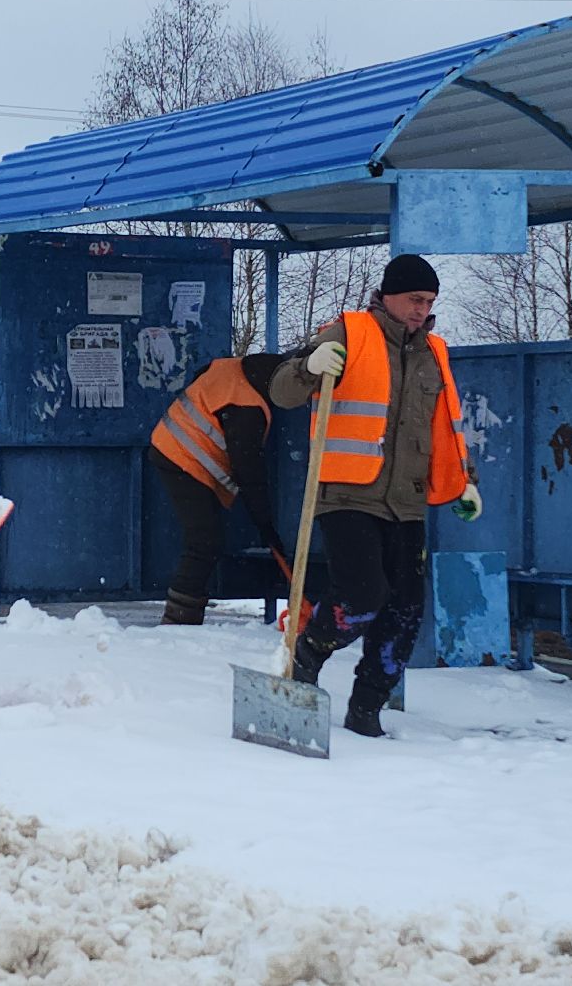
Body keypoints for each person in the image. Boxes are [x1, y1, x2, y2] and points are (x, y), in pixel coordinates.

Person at [268, 253, 483, 737]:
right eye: (413, 299)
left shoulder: (435, 352)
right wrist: (308, 366)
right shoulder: (348, 333)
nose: (420, 309)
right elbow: (282, 390)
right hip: (346, 493)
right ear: (387, 295)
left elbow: (445, 426)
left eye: (428, 301)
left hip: (406, 501)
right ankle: (309, 651)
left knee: (406, 612)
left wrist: (465, 480)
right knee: (364, 597)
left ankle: (366, 711)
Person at [147, 353, 290, 625]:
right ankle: (178, 619)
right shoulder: (246, 407)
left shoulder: (234, 368)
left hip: (172, 443)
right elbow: (249, 473)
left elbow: (202, 374)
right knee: (205, 540)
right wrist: (266, 525)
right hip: (179, 454)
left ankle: (183, 613)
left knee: (206, 539)